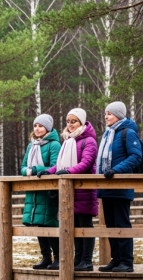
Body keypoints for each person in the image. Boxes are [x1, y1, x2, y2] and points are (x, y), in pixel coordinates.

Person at [38, 108, 98, 271]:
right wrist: (49, 171)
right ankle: (77, 260)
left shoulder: (89, 141)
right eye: (68, 121)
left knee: (85, 225)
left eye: (74, 121)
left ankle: (87, 260)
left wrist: (69, 172)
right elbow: (60, 165)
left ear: (81, 122)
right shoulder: (68, 141)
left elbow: (86, 163)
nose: (70, 124)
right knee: (75, 226)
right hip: (70, 191)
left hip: (84, 190)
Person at [95, 101, 142, 273]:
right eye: (105, 114)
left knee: (122, 224)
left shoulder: (128, 133)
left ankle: (126, 261)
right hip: (106, 186)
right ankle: (116, 260)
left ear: (119, 116)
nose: (106, 117)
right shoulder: (109, 134)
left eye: (110, 114)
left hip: (121, 186)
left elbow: (136, 156)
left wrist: (116, 170)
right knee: (111, 225)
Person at [20, 114, 62, 270]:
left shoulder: (54, 145)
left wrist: (34, 169)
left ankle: (58, 257)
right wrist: (28, 171)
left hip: (49, 191)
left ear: (48, 128)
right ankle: (46, 257)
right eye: (35, 126)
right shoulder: (32, 145)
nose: (37, 129)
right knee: (38, 222)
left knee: (50, 223)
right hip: (34, 191)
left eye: (41, 126)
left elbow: (55, 166)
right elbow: (23, 167)